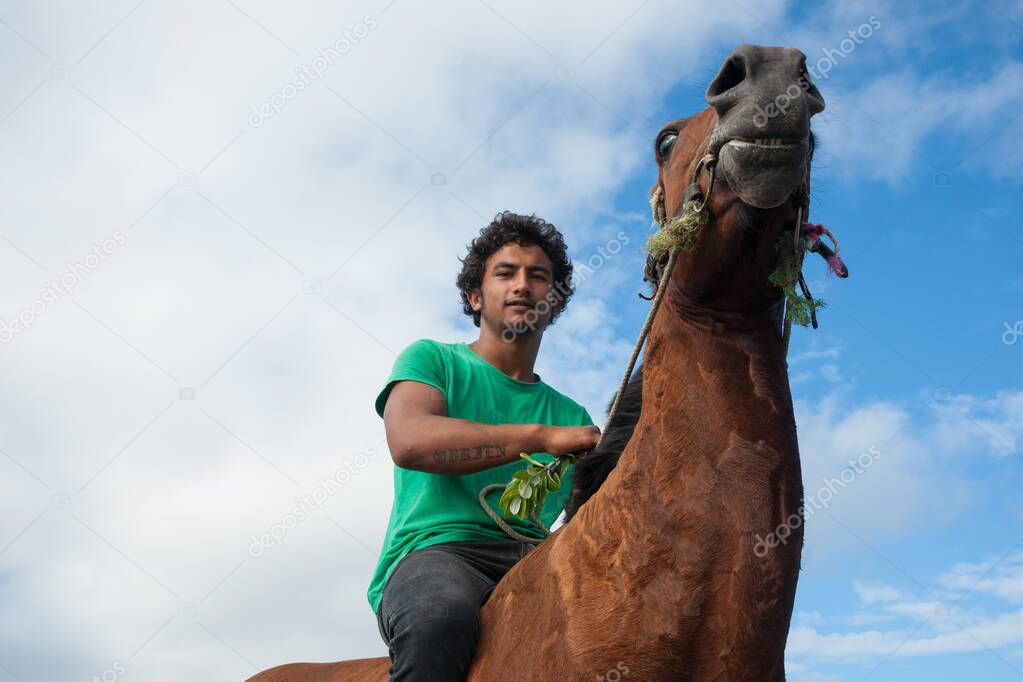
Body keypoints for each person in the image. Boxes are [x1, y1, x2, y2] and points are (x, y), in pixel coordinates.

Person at [368, 211, 601, 681]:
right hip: (438, 553)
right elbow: (410, 441)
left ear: (554, 305)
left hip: (537, 561)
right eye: (506, 272)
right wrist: (539, 437)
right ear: (476, 297)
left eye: (538, 277)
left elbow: (590, 519)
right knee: (440, 618)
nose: (522, 285)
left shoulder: (575, 418)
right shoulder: (432, 359)